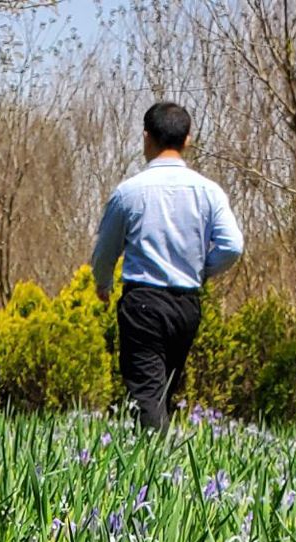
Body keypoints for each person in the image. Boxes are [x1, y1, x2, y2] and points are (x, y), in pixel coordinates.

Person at [91, 102, 244, 432]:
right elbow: (232, 246)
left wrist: (103, 283)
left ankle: (151, 460)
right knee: (163, 392)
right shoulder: (209, 192)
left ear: (146, 137)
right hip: (186, 306)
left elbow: (105, 251)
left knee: (146, 395)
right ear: (188, 139)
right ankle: (160, 456)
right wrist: (201, 271)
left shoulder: (129, 192)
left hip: (143, 304)